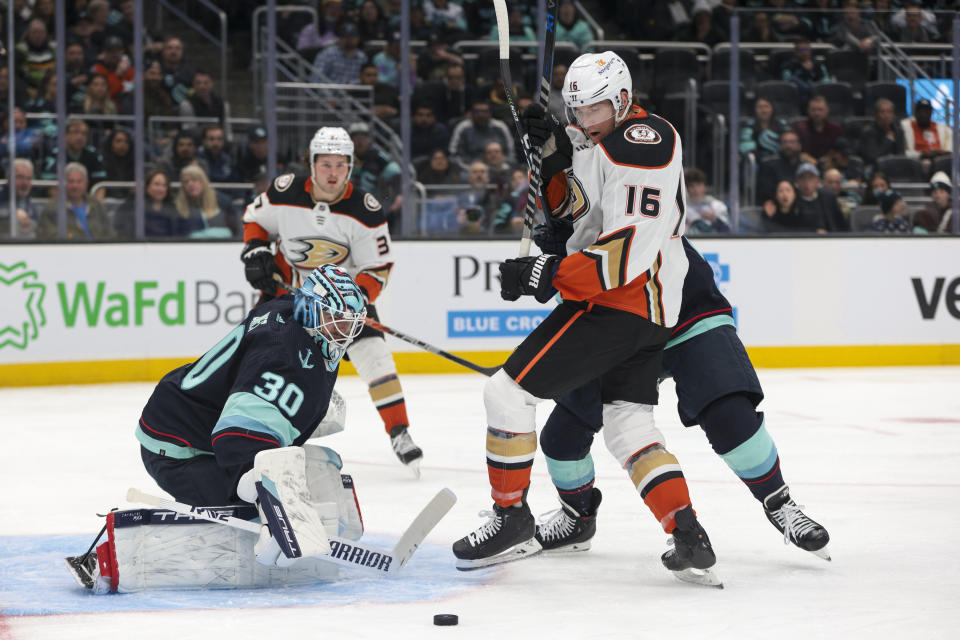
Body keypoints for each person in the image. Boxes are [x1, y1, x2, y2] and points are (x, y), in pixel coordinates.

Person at [451, 52, 717, 585]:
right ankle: (687, 533)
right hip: (645, 312)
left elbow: (625, 250)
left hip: (620, 302)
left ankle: (511, 520)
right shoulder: (596, 142)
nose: (582, 121)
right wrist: (549, 158)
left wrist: (547, 274)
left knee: (506, 395)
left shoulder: (645, 140)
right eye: (575, 110)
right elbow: (577, 214)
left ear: (621, 100)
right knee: (628, 423)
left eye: (593, 110)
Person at [528, 224, 831, 566]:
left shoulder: (630, 181)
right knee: (561, 437)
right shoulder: (559, 230)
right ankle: (576, 518)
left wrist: (558, 269)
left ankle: (778, 502)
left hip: (687, 311)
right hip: (618, 331)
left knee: (730, 418)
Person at [121, 264, 367, 583]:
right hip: (180, 449)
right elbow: (238, 437)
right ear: (311, 308)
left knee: (321, 465)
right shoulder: (284, 349)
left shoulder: (296, 320)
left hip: (194, 424)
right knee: (255, 505)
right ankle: (149, 559)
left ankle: (325, 525)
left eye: (349, 322)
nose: (344, 330)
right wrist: (270, 513)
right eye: (337, 319)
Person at [240, 127, 424, 475]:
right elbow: (254, 219)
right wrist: (255, 250)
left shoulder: (366, 210)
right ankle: (237, 424)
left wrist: (353, 301)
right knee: (254, 356)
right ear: (312, 164)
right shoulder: (286, 192)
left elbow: (377, 268)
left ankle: (399, 431)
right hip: (286, 295)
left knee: (376, 359)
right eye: (325, 164)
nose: (333, 173)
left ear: (351, 167)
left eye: (341, 165)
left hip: (343, 304)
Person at [37, 162, 114, 240]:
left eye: (79, 181)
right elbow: (48, 236)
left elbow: (110, 233)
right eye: (71, 181)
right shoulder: (52, 208)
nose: (75, 186)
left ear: (86, 183)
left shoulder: (97, 205)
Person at [448, 101, 515, 170]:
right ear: (471, 113)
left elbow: (510, 151)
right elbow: (454, 153)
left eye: (484, 111)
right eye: (477, 112)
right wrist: (472, 169)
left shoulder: (500, 127)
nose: (481, 114)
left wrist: (502, 167)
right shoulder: (463, 127)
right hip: (469, 169)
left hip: (499, 169)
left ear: (490, 113)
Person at [174, 164, 234, 239]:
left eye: (194, 180)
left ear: (203, 182)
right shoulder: (177, 208)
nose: (190, 184)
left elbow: (236, 230)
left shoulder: (223, 201)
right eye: (186, 182)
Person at [795, 162, 849, 232]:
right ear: (797, 181)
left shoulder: (828, 197)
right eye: (803, 178)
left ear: (817, 181)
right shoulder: (793, 200)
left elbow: (841, 224)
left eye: (810, 177)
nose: (806, 181)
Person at [901, 98, 951, 168]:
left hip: (940, 163)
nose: (923, 114)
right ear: (916, 113)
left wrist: (939, 153)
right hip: (917, 164)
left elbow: (950, 151)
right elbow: (903, 153)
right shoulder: (906, 128)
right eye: (921, 111)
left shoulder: (943, 129)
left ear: (931, 113)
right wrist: (922, 155)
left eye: (927, 111)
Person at [857, 98, 905, 170]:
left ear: (893, 115)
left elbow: (901, 155)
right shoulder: (868, 132)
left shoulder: (898, 131)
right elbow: (873, 157)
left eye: (889, 112)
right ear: (876, 115)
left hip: (895, 167)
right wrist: (889, 139)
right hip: (874, 168)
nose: (886, 115)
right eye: (882, 112)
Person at [793, 95, 844, 163]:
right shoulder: (800, 128)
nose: (817, 113)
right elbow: (795, 151)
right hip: (806, 165)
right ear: (808, 111)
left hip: (830, 165)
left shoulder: (836, 129)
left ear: (827, 110)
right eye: (813, 110)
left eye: (820, 110)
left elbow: (840, 151)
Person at [739, 96, 789, 162]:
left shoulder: (782, 124)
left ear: (772, 109)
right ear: (754, 110)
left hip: (780, 161)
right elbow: (745, 148)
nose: (763, 110)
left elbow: (789, 142)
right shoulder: (748, 126)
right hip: (758, 162)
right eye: (759, 107)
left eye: (766, 107)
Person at [781, 38, 830, 105]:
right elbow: (788, 85)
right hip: (798, 98)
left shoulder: (818, 65)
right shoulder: (788, 67)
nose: (804, 52)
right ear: (795, 51)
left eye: (807, 49)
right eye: (801, 50)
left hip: (817, 97)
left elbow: (826, 81)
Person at [0, 158, 40, 239]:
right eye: (20, 177)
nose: (25, 183)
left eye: (28, 178)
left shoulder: (33, 206)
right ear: (8, 178)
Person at [684, 168, 730, 233]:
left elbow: (727, 231)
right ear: (687, 189)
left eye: (699, 185)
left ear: (705, 186)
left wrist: (714, 219)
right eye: (692, 186)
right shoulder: (683, 209)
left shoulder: (718, 206)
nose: (696, 190)